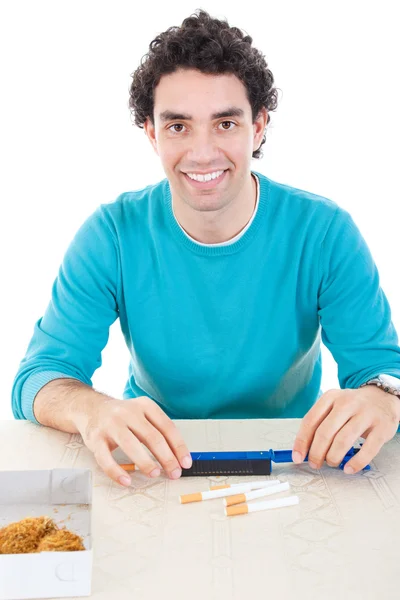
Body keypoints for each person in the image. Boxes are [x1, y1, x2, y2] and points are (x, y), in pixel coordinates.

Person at [11, 9, 400, 488]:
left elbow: (384, 369)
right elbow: (39, 377)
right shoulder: (111, 234)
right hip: (156, 460)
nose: (201, 153)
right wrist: (92, 409)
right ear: (152, 133)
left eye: (225, 124)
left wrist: (383, 397)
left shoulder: (324, 232)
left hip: (292, 460)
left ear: (258, 127)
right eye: (178, 126)